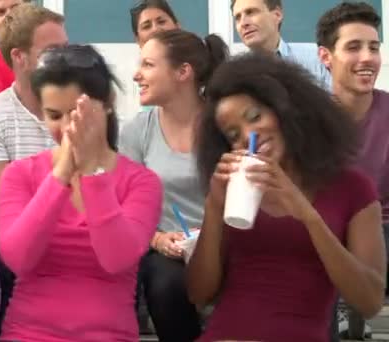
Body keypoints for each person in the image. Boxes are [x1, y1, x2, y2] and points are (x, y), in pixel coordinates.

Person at [187, 53, 386, 342]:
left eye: (255, 116)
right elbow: (199, 295)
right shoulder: (234, 193)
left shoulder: (353, 189)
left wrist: (307, 215)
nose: (248, 134)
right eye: (233, 134)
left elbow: (369, 301)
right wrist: (214, 208)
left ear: (286, 108)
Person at [0, 43, 162, 341]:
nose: (66, 127)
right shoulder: (20, 175)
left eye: (76, 112)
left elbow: (117, 257)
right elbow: (17, 257)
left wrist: (91, 175)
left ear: (107, 103)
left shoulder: (141, 182)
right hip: (29, 333)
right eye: (53, 115)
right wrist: (61, 174)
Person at [121, 28, 229, 341]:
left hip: (225, 244)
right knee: (165, 283)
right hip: (166, 251)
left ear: (183, 72)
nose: (136, 75)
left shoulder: (223, 125)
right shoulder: (138, 130)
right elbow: (125, 206)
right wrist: (155, 239)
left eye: (148, 65)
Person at [0, 3, 67, 340]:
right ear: (20, 57)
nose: (65, 60)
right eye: (54, 51)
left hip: (79, 247)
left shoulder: (86, 107)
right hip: (21, 255)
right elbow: (3, 217)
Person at [317, 2, 387, 339]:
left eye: (374, 47)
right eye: (353, 47)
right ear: (325, 57)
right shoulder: (306, 119)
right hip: (324, 232)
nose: (367, 58)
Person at [231, 0, 330, 89]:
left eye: (251, 12)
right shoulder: (235, 75)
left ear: (277, 15)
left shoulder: (316, 57)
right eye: (238, 18)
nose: (243, 23)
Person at [129, 0, 180, 115]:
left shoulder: (199, 63)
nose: (155, 29)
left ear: (177, 26)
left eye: (161, 22)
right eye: (146, 26)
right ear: (138, 40)